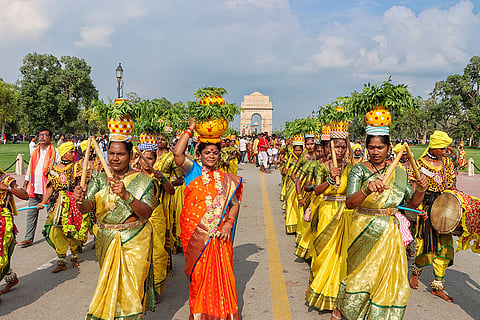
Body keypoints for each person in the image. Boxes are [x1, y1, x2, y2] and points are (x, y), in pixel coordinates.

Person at [333, 126, 428, 320]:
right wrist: (366, 190)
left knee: (390, 281)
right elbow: (350, 203)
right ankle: (342, 312)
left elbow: (411, 203)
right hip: (363, 228)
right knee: (359, 278)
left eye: (380, 147)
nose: (375, 152)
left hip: (390, 232)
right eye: (371, 147)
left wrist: (421, 189)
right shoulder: (358, 170)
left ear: (389, 147)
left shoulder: (399, 173)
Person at [73, 136, 157, 319]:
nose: (115, 158)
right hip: (106, 239)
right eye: (111, 153)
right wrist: (79, 201)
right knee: (110, 288)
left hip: (135, 241)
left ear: (131, 155)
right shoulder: (101, 178)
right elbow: (87, 206)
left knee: (131, 293)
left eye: (120, 154)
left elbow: (147, 213)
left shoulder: (143, 180)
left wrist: (127, 195)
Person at [174, 118, 243, 320]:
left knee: (222, 278)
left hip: (219, 237)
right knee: (199, 278)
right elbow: (178, 154)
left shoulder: (226, 178)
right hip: (195, 236)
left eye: (214, 152)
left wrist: (229, 224)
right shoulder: (192, 171)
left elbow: (235, 204)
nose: (211, 156)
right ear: (199, 154)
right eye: (207, 152)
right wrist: (190, 128)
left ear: (219, 155)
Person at [304, 125, 353, 311]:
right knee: (323, 254)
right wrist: (330, 180)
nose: (339, 150)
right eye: (335, 147)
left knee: (342, 256)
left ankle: (337, 296)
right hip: (326, 211)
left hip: (346, 213)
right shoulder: (321, 167)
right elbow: (315, 189)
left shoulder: (352, 167)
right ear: (327, 148)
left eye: (343, 147)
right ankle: (317, 285)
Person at [410, 130, 457, 302]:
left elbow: (452, 186)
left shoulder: (448, 164)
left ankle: (438, 285)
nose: (445, 151)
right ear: (434, 147)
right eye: (442, 148)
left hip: (444, 210)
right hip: (426, 210)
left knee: (445, 247)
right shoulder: (420, 164)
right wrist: (418, 211)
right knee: (426, 247)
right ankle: (416, 269)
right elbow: (413, 191)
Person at [39, 142, 91, 272]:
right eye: (71, 152)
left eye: (74, 152)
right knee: (55, 228)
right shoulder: (54, 170)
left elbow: (83, 182)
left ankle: (74, 255)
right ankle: (61, 259)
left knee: (72, 229)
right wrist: (43, 202)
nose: (73, 154)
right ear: (64, 153)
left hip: (73, 202)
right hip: (58, 203)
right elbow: (50, 188)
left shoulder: (77, 167)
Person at [138, 135, 175, 302]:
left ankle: (154, 288)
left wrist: (163, 179)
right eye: (143, 158)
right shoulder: (133, 175)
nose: (146, 162)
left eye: (150, 158)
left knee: (157, 253)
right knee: (140, 255)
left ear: (154, 160)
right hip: (138, 219)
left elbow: (171, 191)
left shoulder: (158, 176)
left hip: (156, 216)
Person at [20, 128, 60, 247]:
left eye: (45, 135)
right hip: (34, 188)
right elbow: (30, 168)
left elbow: (60, 168)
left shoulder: (55, 152)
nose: (42, 137)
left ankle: (54, 238)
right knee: (31, 214)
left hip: (48, 189)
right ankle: (28, 238)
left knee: (51, 215)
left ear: (51, 138)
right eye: (40, 135)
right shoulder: (35, 152)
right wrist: (26, 181)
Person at [0, 168, 29, 302]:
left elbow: (25, 195)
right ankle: (11, 278)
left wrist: (7, 189)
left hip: (3, 226)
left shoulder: (5, 180)